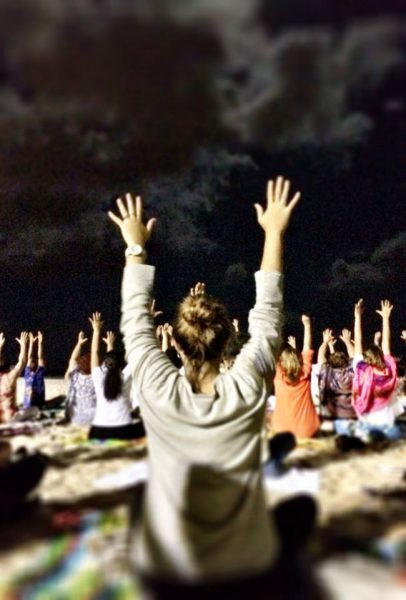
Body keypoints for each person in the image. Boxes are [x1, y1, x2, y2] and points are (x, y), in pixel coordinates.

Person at [108, 178, 302, 594]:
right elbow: (268, 317)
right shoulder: (247, 386)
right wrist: (273, 233)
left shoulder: (157, 388)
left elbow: (135, 322)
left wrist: (135, 247)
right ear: (226, 340)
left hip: (170, 566)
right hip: (246, 564)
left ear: (175, 342)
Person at [88, 313, 144, 441]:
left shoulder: (98, 377)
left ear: (105, 365)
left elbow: (94, 353)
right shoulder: (125, 376)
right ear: (121, 366)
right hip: (123, 431)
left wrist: (96, 331)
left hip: (99, 432)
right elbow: (140, 351)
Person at [351, 299, 403, 436]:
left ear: (365, 357)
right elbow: (386, 343)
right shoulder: (388, 369)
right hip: (387, 426)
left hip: (365, 425)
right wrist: (386, 318)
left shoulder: (361, 369)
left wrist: (357, 318)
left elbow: (358, 342)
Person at [272, 315, 320, 438]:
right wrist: (307, 325)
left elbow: (273, 349)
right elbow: (307, 348)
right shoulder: (305, 371)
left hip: (282, 430)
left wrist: (275, 327)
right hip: (307, 430)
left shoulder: (277, 375)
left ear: (280, 363)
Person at [317, 328, 356, 420]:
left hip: (332, 417)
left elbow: (321, 355)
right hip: (351, 415)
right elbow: (354, 356)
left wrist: (325, 342)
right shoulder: (350, 372)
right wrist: (347, 342)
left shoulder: (327, 372)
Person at [64, 331, 97, 425]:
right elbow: (97, 354)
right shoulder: (98, 377)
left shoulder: (74, 375)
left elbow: (73, 359)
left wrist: (79, 343)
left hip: (73, 417)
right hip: (93, 419)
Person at [0, 332, 29, 423]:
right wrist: (24, 345)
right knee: (34, 410)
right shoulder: (10, 377)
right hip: (10, 417)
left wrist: (0, 347)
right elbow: (23, 362)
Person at [22, 331, 46, 409]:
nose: (31, 363)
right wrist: (31, 343)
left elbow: (40, 357)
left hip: (39, 404)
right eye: (31, 363)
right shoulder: (27, 372)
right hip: (27, 405)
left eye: (33, 362)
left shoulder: (40, 372)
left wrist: (40, 342)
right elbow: (29, 357)